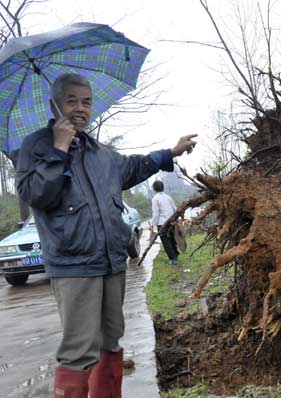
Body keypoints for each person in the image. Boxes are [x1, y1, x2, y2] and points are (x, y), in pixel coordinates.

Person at [16, 73, 197, 398]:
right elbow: (36, 194)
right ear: (53, 104)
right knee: (79, 349)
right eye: (71, 100)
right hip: (73, 265)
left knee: (111, 341)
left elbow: (132, 167)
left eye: (86, 101)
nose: (81, 108)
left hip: (111, 262)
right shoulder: (35, 147)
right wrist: (58, 149)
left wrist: (171, 151)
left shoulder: (99, 151)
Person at [151, 180, 179, 264]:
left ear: (154, 189)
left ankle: (173, 259)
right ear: (162, 187)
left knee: (166, 241)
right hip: (171, 221)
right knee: (172, 238)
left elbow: (156, 213)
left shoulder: (155, 199)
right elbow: (175, 209)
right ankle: (176, 254)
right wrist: (175, 219)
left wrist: (153, 224)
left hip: (162, 223)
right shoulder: (168, 197)